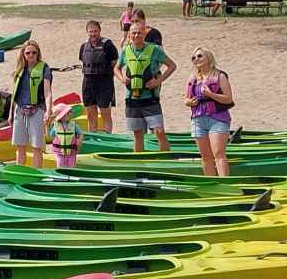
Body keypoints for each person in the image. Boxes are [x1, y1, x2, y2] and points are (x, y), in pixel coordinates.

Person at [118, 20, 176, 152]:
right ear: (129, 35)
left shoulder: (155, 50)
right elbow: (116, 68)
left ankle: (165, 159)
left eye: (139, 33)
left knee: (159, 131)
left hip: (150, 99)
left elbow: (172, 66)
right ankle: (140, 162)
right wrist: (122, 78)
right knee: (138, 134)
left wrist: (158, 80)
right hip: (132, 99)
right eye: (134, 33)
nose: (136, 35)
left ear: (144, 34)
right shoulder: (125, 51)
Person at [185, 47, 234, 176]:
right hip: (198, 120)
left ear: (208, 57)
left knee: (218, 154)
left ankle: (225, 183)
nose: (196, 59)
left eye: (200, 56)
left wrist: (210, 94)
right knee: (206, 157)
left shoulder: (220, 76)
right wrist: (188, 102)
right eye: (193, 58)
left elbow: (228, 99)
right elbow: (186, 98)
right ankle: (213, 183)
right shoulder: (192, 77)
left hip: (217, 119)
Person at [9, 40, 51, 168]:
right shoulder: (20, 70)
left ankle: (37, 174)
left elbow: (48, 93)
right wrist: (11, 115)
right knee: (20, 146)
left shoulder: (44, 69)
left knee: (37, 146)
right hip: (20, 111)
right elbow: (15, 95)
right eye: (28, 53)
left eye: (34, 52)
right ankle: (20, 173)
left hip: (36, 110)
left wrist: (48, 111)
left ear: (38, 53)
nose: (31, 55)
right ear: (23, 54)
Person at [77, 20, 119, 133]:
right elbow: (83, 61)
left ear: (99, 31)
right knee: (91, 114)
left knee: (105, 114)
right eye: (90, 31)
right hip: (88, 83)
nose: (93, 34)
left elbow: (115, 64)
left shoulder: (108, 45)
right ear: (87, 32)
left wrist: (109, 78)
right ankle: (93, 136)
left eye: (95, 31)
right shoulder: (83, 46)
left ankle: (108, 137)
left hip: (104, 84)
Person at [48, 102, 83, 169]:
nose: (69, 114)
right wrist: (47, 126)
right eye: (67, 113)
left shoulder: (74, 125)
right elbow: (50, 135)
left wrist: (79, 142)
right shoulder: (56, 126)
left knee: (71, 166)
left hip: (72, 151)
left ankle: (71, 177)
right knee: (60, 166)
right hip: (60, 152)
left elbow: (80, 133)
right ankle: (62, 177)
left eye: (69, 113)